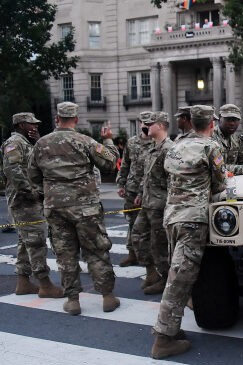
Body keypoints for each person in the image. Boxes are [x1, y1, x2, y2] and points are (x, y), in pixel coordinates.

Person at [28, 102, 121, 316]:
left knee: (65, 254)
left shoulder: (41, 144)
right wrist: (107, 139)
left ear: (57, 119)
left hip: (56, 208)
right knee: (97, 250)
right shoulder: (85, 141)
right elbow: (109, 164)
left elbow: (32, 176)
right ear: (76, 120)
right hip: (85, 207)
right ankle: (107, 297)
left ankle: (72, 300)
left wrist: (48, 195)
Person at [151, 105, 226, 359]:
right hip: (194, 220)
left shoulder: (175, 146)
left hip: (171, 218)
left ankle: (172, 329)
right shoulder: (210, 147)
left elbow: (166, 178)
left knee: (178, 273)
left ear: (191, 123)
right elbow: (219, 184)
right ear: (212, 124)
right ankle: (163, 339)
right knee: (179, 280)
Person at [1, 112, 64, 298]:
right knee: (36, 241)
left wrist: (38, 141)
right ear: (20, 125)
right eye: (31, 124)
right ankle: (45, 284)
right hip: (25, 201)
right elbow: (13, 170)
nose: (35, 126)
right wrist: (32, 192)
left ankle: (23, 282)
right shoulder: (14, 144)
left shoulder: (26, 143)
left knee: (25, 241)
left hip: (28, 200)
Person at [131, 112, 173, 295]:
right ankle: (151, 273)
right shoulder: (152, 148)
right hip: (148, 203)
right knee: (138, 237)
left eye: (150, 123)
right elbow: (147, 177)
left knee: (160, 246)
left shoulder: (169, 149)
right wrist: (141, 193)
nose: (145, 126)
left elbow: (173, 181)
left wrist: (170, 206)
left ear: (162, 126)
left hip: (160, 205)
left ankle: (165, 280)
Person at [116, 111, 154, 267]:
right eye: (144, 123)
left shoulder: (156, 143)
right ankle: (132, 254)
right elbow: (124, 165)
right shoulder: (132, 143)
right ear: (140, 124)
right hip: (132, 190)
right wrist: (120, 184)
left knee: (149, 225)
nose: (146, 126)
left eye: (149, 123)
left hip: (150, 191)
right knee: (131, 223)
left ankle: (150, 258)